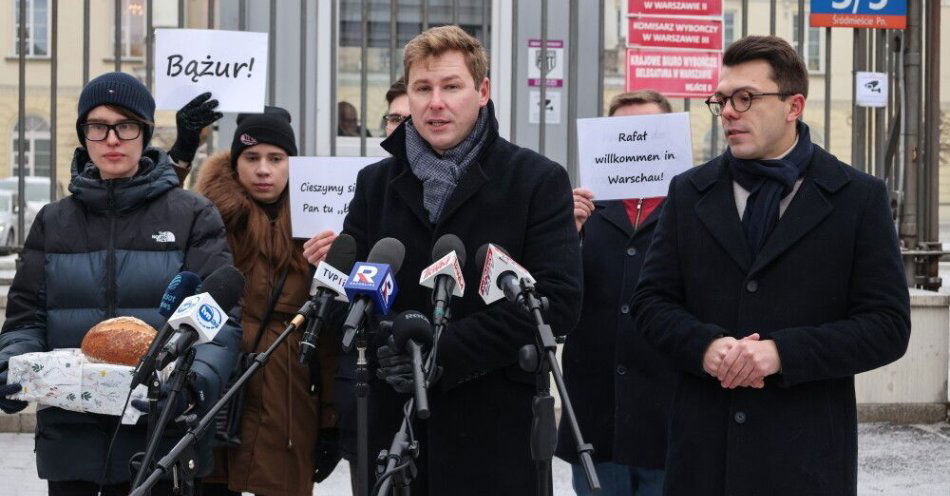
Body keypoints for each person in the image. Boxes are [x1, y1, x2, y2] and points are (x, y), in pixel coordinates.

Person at [632, 36, 911, 496]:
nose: (728, 112)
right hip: (704, 458)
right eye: (721, 100)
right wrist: (705, 347)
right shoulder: (689, 191)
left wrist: (781, 354)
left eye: (746, 97)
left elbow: (886, 326)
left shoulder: (857, 198)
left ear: (793, 105)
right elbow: (650, 302)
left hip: (804, 460)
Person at [340, 25, 581, 494]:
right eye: (422, 88)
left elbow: (558, 301)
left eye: (451, 86)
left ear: (482, 91)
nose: (436, 102)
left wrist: (440, 350)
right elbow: (355, 290)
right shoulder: (375, 184)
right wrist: (388, 343)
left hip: (493, 433)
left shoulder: (536, 181)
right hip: (393, 432)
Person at [0, 71, 241, 496]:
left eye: (125, 126)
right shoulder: (53, 222)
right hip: (71, 442)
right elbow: (25, 320)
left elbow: (218, 325)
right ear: (84, 135)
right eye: (98, 126)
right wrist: (12, 366)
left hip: (160, 439)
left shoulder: (192, 216)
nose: (112, 139)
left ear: (145, 133)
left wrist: (190, 386)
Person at [194, 107, 340, 496]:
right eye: (252, 158)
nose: (263, 170)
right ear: (234, 162)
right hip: (222, 386)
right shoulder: (209, 219)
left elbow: (327, 331)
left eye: (276, 159)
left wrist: (331, 419)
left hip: (288, 398)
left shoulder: (318, 227)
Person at [557, 89, 676, 496]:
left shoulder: (690, 209)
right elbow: (552, 293)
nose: (637, 140)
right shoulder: (582, 210)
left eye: (649, 129)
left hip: (668, 416)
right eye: (625, 131)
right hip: (595, 411)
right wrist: (566, 236)